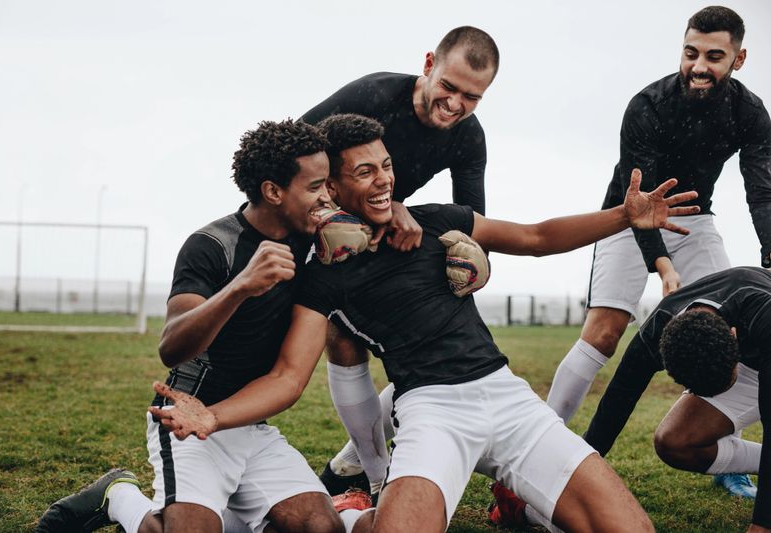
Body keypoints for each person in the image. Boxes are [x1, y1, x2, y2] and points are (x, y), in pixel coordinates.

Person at [149, 113, 702, 532]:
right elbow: (289, 379)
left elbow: (536, 238)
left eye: (386, 165)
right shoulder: (319, 276)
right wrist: (212, 417)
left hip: (507, 397)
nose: (383, 180)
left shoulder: (436, 221)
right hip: (431, 411)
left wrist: (624, 218)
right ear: (333, 190)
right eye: (363, 172)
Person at [35, 119, 357, 533]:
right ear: (273, 191)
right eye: (316, 186)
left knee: (321, 528)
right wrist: (240, 287)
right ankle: (120, 497)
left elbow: (290, 378)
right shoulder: (212, 245)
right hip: (187, 419)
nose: (327, 196)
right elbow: (172, 346)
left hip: (246, 424)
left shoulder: (318, 244)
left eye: (329, 184)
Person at [545, 4, 771, 497]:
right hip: (628, 218)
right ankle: (541, 442)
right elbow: (641, 202)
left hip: (695, 220)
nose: (699, 65)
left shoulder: (750, 112)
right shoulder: (647, 105)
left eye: (715, 56)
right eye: (691, 52)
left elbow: (761, 190)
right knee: (604, 333)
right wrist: (664, 269)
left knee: (718, 334)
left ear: (739, 58)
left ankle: (724, 453)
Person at [301, 24, 499, 498]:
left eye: (471, 96)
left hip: (382, 227)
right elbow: (291, 153)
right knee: (343, 338)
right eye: (448, 87)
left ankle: (353, 461)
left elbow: (473, 218)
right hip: (319, 223)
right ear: (429, 65)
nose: (455, 104)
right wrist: (374, 209)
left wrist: (472, 258)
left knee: (426, 338)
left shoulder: (469, 137)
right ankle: (374, 475)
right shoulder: (374, 94)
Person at [581, 266, 770, 532]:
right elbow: (614, 406)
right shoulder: (656, 333)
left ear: (733, 336)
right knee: (675, 442)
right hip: (750, 351)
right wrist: (570, 477)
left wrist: (762, 524)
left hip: (765, 336)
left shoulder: (762, 311)